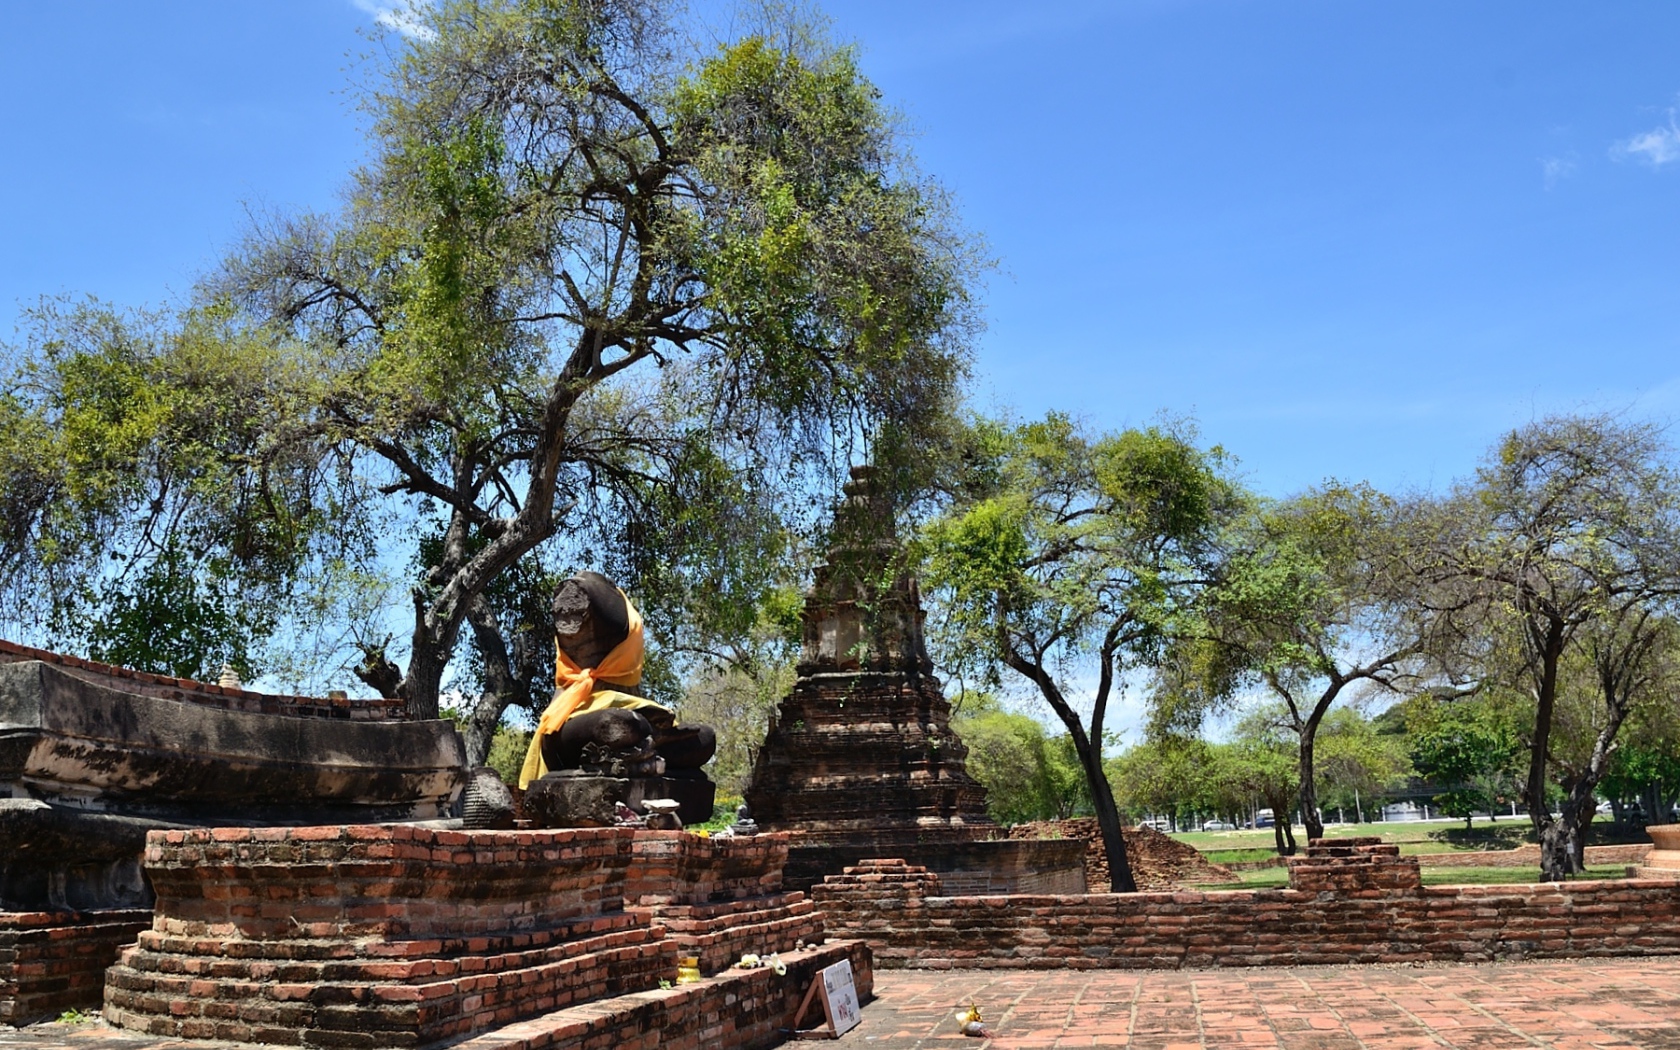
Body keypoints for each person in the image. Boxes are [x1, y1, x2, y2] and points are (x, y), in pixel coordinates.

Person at [518, 572, 714, 789]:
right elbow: (562, 705)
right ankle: (644, 743)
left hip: (630, 718)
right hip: (581, 721)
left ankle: (645, 746)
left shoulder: (615, 606)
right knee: (622, 723)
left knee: (705, 737)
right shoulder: (581, 597)